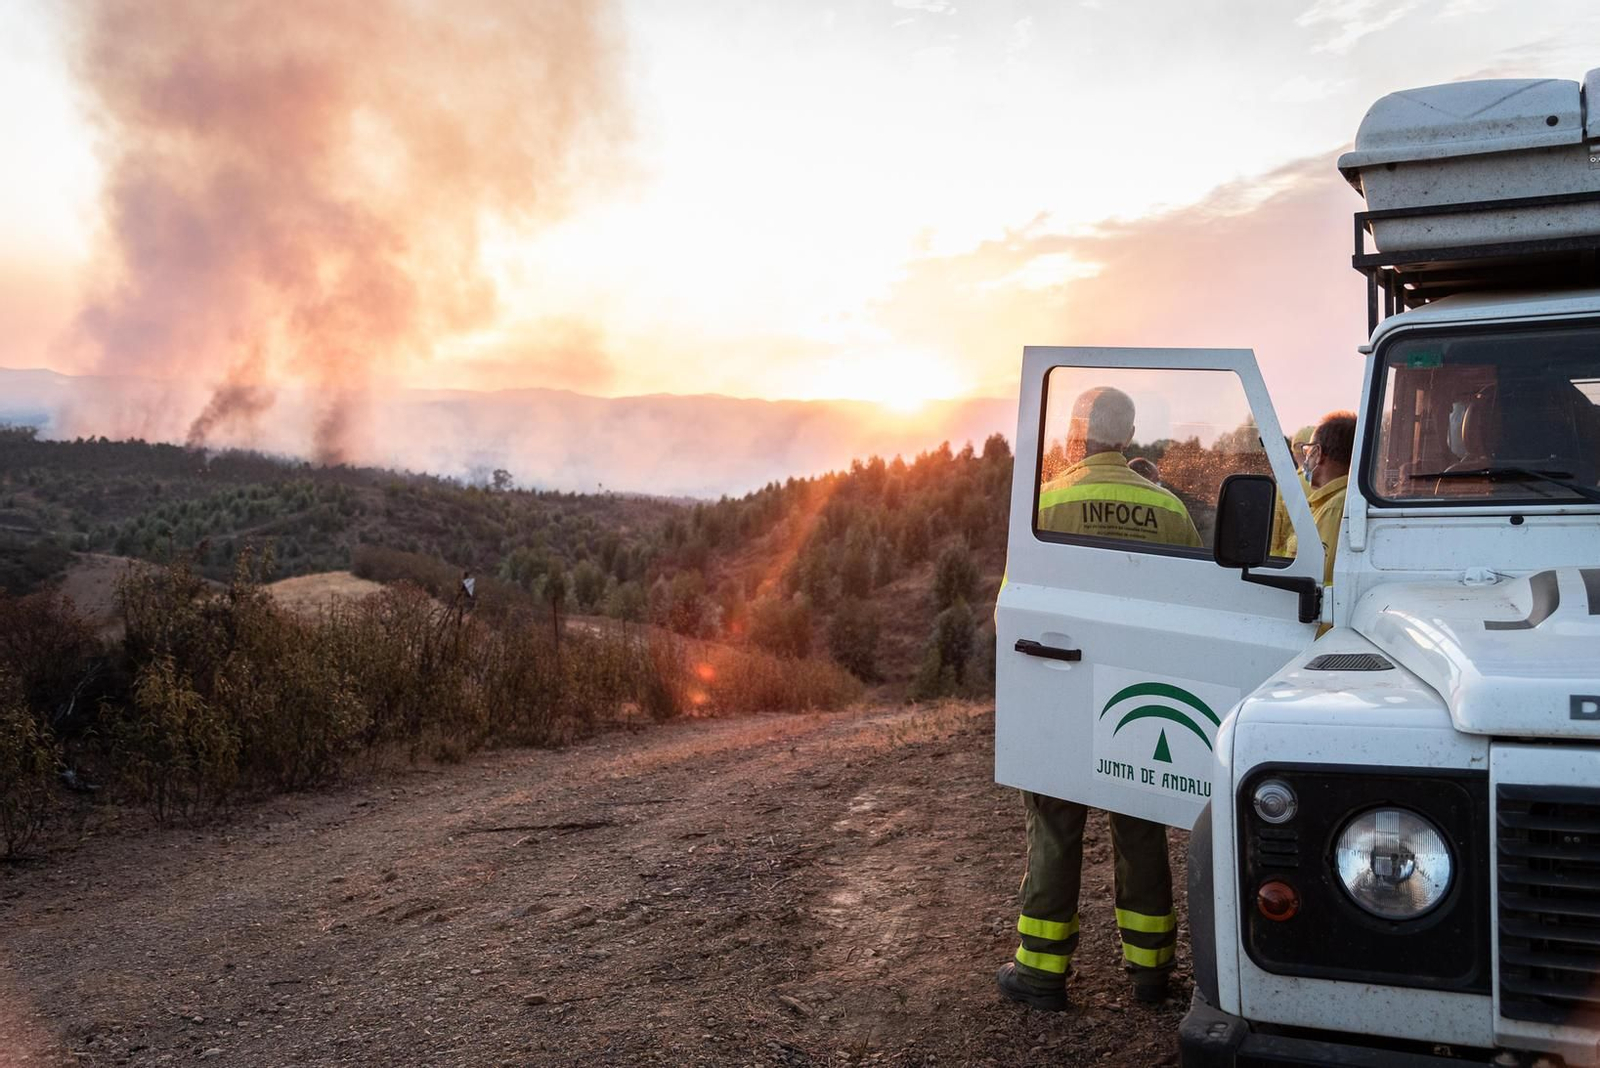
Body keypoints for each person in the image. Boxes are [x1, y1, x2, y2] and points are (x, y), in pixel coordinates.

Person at [1000, 387, 1201, 1013]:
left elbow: (1012, 609)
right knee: (1140, 824)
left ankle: (1040, 976)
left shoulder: (1046, 503)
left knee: (1055, 828)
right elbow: (1196, 610)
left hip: (1060, 685)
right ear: (1130, 433)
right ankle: (1151, 975)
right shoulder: (1167, 509)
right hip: (1138, 693)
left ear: (1077, 432)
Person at [1303, 411, 1356, 585]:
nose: (1305, 460)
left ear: (1318, 453)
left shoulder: (1334, 508)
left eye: (1308, 451)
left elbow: (1318, 578)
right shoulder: (1337, 501)